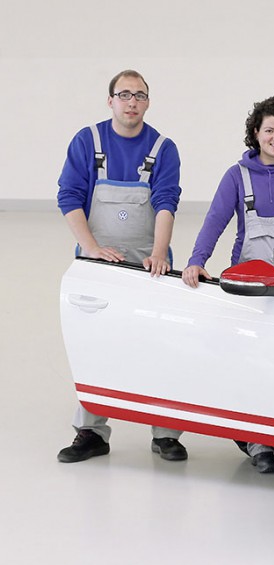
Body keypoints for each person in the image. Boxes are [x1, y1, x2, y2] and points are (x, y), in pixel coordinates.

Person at [182, 95, 274, 474]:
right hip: (250, 285)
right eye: (269, 130)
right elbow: (215, 220)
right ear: (256, 134)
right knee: (253, 361)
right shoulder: (236, 176)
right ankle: (258, 443)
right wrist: (197, 261)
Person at [56, 69, 188, 463]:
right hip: (97, 264)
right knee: (94, 347)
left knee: (159, 346)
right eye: (125, 94)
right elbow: (68, 197)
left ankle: (166, 434)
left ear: (148, 102)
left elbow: (166, 202)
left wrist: (160, 253)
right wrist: (92, 248)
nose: (132, 102)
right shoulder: (88, 141)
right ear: (110, 100)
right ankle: (91, 432)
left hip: (149, 263)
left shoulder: (163, 148)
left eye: (140, 95)